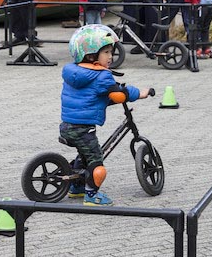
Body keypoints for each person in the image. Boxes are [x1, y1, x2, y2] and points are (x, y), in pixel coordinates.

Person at [61, 24, 152, 206]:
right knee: (97, 162)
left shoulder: (74, 71)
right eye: (106, 52)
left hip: (67, 126)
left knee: (85, 153)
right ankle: (92, 195)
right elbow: (118, 94)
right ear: (91, 55)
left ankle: (76, 187)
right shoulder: (101, 76)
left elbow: (92, 97)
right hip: (83, 129)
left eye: (111, 52)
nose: (111, 57)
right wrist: (139, 93)